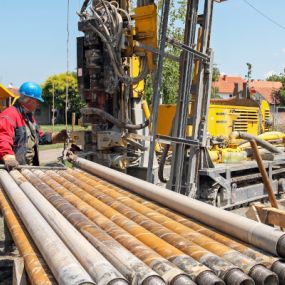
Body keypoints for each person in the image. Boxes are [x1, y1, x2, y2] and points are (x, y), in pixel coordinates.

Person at [0, 82, 68, 171]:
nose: (38, 104)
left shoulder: (28, 116)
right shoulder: (9, 115)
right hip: (13, 169)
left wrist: (57, 137)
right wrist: (8, 157)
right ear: (29, 100)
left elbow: (38, 137)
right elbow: (3, 138)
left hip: (27, 167)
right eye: (37, 101)